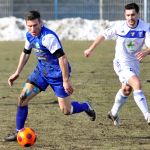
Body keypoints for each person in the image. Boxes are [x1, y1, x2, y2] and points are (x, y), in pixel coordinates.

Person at [4, 10, 96, 141]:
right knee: (22, 99)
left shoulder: (48, 38)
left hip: (58, 75)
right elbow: (25, 53)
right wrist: (17, 72)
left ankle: (85, 106)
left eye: (35, 25)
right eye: (29, 26)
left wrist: (65, 80)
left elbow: (62, 59)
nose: (33, 28)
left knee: (66, 111)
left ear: (40, 22)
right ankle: (19, 132)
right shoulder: (29, 35)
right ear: (26, 24)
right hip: (41, 72)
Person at [84, 3, 150, 126]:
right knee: (136, 83)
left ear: (138, 14)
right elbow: (103, 35)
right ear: (125, 15)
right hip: (121, 62)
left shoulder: (145, 28)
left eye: (133, 15)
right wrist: (90, 49)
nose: (130, 18)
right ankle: (148, 115)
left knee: (126, 89)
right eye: (128, 15)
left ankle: (113, 113)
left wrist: (146, 51)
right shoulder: (119, 27)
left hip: (134, 63)